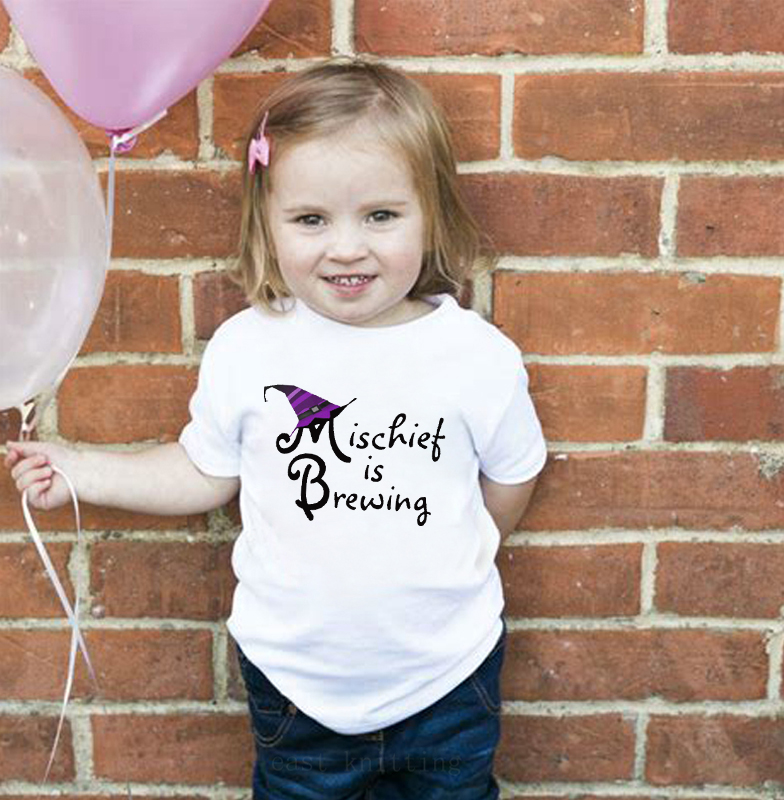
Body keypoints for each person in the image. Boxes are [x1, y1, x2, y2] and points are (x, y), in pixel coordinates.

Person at [5, 58, 547, 800]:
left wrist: (471, 543)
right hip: (297, 691)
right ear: (268, 221)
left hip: (447, 677)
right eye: (311, 220)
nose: (347, 247)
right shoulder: (250, 347)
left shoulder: (475, 356)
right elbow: (202, 471)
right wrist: (80, 468)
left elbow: (512, 474)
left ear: (431, 213)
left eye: (381, 216)